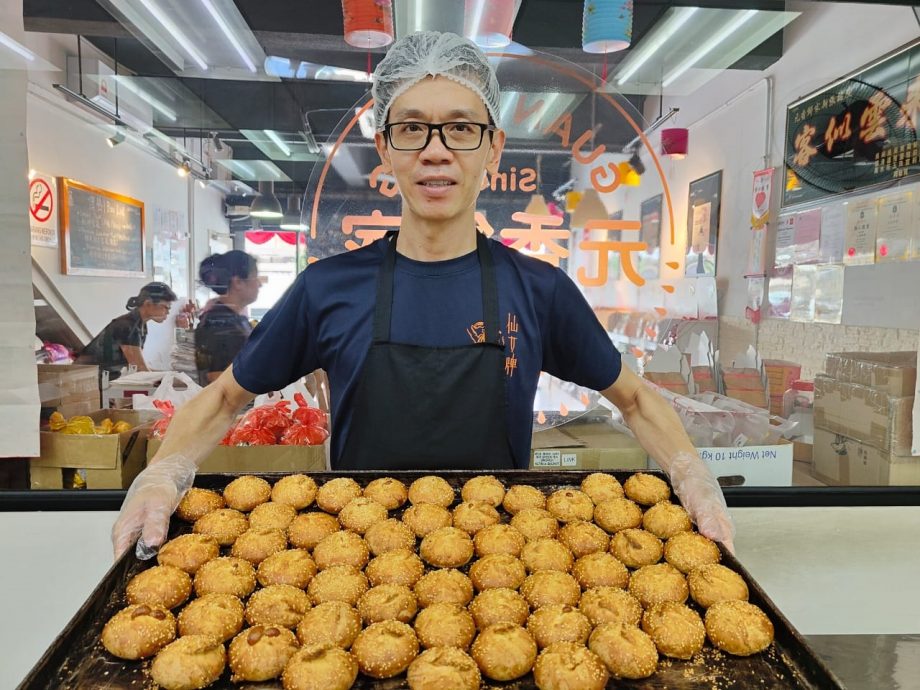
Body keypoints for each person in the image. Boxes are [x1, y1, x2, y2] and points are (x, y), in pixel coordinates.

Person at [113, 31, 734, 560]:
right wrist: (161, 475)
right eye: (412, 129)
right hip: (354, 564)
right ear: (386, 148)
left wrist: (693, 475)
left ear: (493, 147)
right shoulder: (327, 289)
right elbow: (224, 400)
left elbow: (635, 400)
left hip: (506, 566)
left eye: (461, 129)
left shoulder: (539, 290)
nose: (436, 150)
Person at [77, 282, 177, 381]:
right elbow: (139, 368)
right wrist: (169, 380)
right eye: (166, 307)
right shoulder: (127, 326)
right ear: (148, 304)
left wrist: (169, 375)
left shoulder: (140, 324)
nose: (168, 312)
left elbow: (138, 366)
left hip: (103, 378)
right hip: (85, 380)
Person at [195, 251, 260, 384]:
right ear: (238, 282)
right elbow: (217, 378)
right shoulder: (219, 322)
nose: (260, 284)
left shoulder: (236, 318)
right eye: (255, 277)